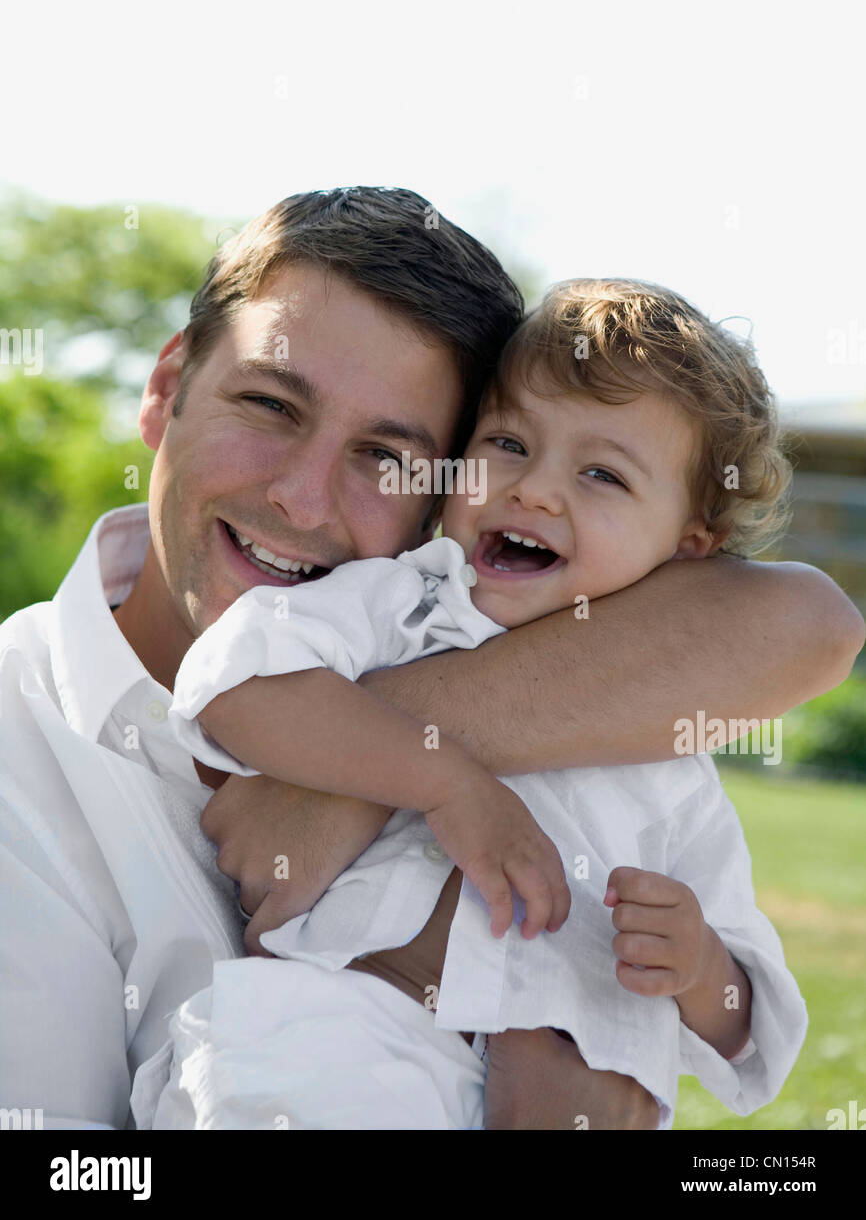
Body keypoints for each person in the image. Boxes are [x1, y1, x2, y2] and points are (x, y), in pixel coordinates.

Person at [0, 190, 861, 1131]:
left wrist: (365, 777)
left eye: (386, 455)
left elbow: (808, 622)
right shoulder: (24, 751)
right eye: (270, 404)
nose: (303, 499)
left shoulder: (609, 717)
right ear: (166, 388)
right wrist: (439, 777)